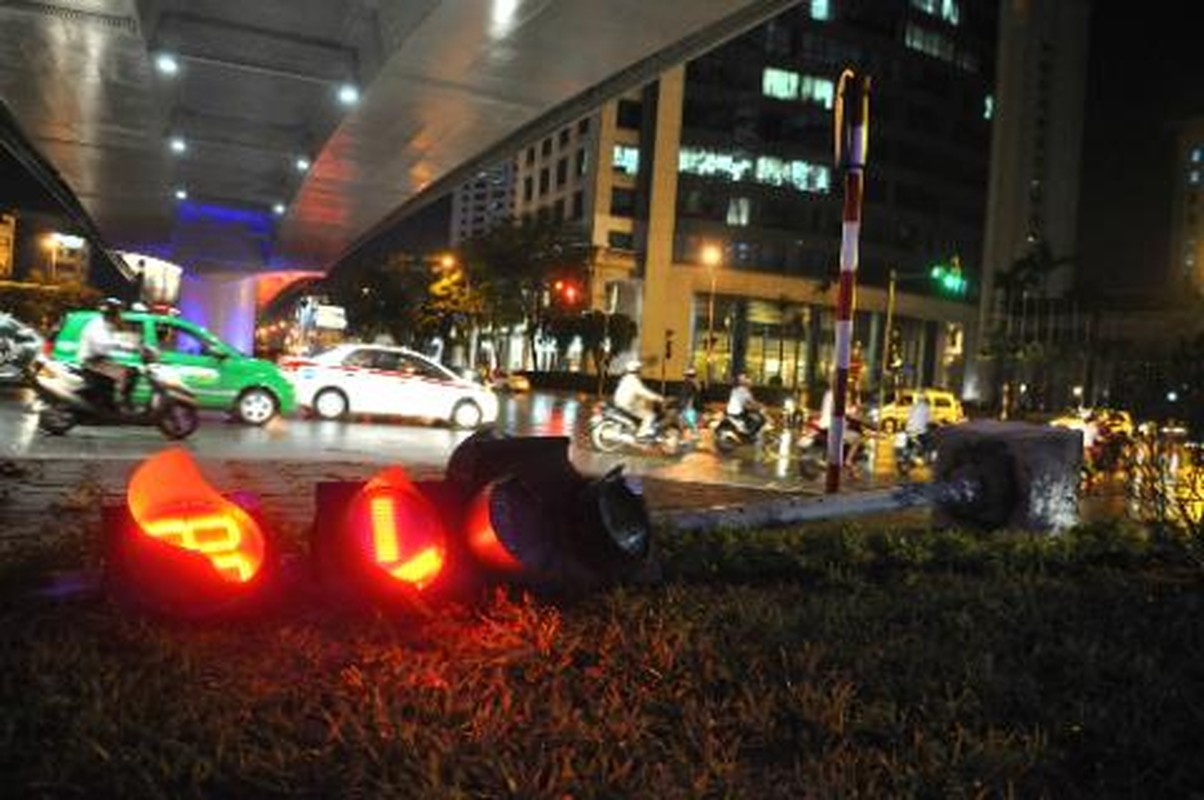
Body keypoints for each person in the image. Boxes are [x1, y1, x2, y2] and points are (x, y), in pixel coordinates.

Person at [77, 298, 135, 410]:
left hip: (99, 359)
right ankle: (116, 404)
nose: (121, 315)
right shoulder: (98, 325)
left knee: (128, 371)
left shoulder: (109, 324)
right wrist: (122, 346)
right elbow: (102, 346)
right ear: (112, 312)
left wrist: (133, 345)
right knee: (127, 371)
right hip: (92, 362)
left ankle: (114, 402)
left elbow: (122, 338)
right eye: (119, 311)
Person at [614, 359, 663, 438]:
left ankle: (636, 426)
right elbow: (644, 392)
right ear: (636, 370)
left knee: (641, 404)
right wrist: (658, 398)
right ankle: (641, 433)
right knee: (650, 415)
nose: (640, 371)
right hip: (627, 404)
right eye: (639, 369)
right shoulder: (634, 381)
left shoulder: (624, 378)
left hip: (619, 402)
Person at [677, 366, 700, 435]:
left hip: (686, 406)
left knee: (688, 423)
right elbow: (690, 396)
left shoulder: (689, 384)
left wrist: (688, 406)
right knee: (689, 423)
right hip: (687, 406)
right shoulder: (691, 384)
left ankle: (689, 435)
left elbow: (690, 396)